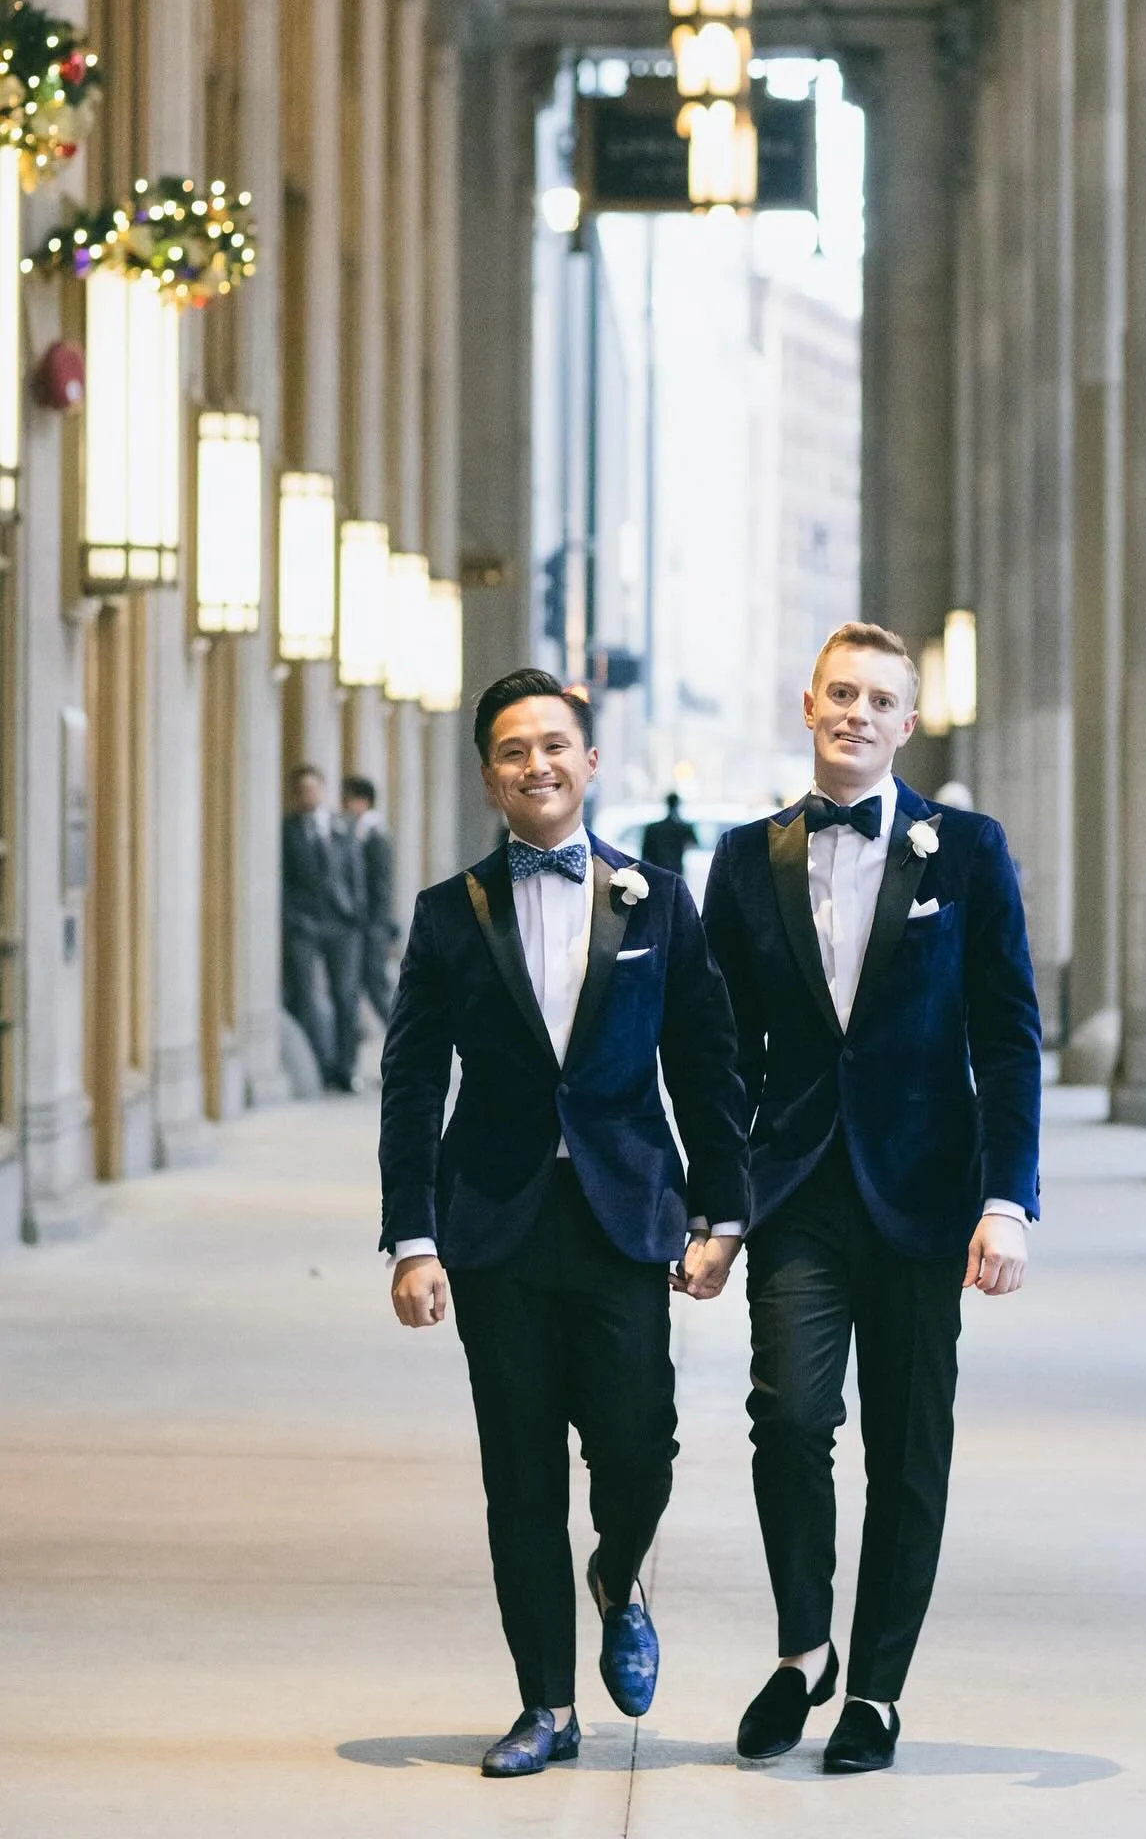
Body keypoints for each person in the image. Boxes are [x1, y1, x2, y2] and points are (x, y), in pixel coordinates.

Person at [379, 668, 750, 1780]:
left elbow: (707, 1064)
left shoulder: (659, 901)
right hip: (493, 1225)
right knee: (522, 1473)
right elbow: (410, 1083)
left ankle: (617, 1573)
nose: (535, 764)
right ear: (489, 778)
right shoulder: (451, 915)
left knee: (639, 1443)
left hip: (624, 1218)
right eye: (511, 750)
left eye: (554, 745)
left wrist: (721, 1212)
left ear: (591, 763)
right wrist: (412, 1237)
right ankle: (545, 1704)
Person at [701, 621, 1042, 1775]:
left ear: (907, 722)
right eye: (838, 692)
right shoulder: (746, 861)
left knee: (906, 1447)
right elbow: (717, 1057)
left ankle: (878, 1691)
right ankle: (805, 1650)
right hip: (795, 1188)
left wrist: (1010, 1199)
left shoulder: (972, 852)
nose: (855, 712)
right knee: (789, 1420)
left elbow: (1007, 1038)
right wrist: (718, 1206)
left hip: (924, 1197)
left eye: (878, 699)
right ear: (808, 707)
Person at [281, 765, 365, 1092]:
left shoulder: (341, 826)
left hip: (342, 923)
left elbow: (356, 871)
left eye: (313, 789)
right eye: (302, 790)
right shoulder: (287, 831)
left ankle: (345, 1068)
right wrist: (292, 917)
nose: (308, 796)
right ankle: (317, 1065)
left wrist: (357, 911)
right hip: (305, 924)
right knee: (304, 994)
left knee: (345, 995)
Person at [340, 775, 397, 1025]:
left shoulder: (374, 835)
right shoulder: (361, 832)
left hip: (372, 924)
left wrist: (376, 925)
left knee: (375, 985)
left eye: (348, 799)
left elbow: (380, 886)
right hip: (366, 924)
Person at [640, 791, 698, 876]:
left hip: (656, 870)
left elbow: (644, 854)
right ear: (678, 805)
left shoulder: (653, 828)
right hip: (676, 871)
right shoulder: (683, 828)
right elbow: (693, 843)